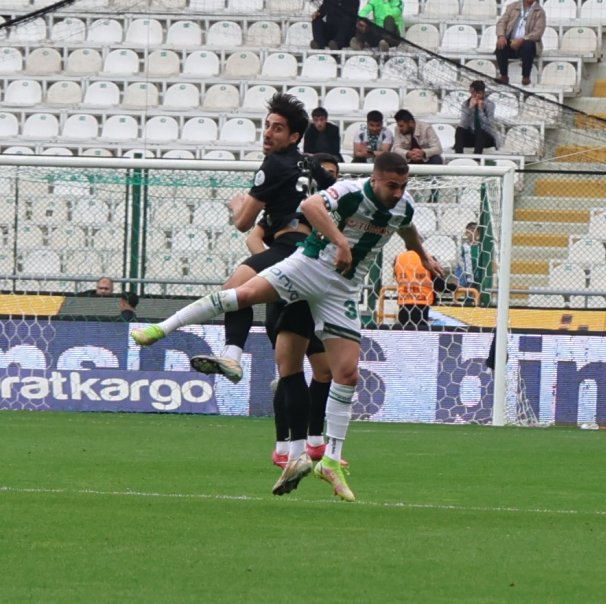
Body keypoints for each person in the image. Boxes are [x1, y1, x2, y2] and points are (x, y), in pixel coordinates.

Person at [131, 152, 442, 503]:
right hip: (309, 266)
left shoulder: (405, 206)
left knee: (347, 373)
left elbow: (408, 231)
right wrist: (340, 241)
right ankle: (162, 328)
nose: (398, 192)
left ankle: (330, 460)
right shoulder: (352, 191)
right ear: (375, 179)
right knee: (244, 295)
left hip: (343, 290)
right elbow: (310, 206)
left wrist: (425, 257)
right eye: (392, 185)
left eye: (403, 186)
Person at [186, 92, 310, 385]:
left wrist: (239, 206)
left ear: (293, 137)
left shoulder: (274, 165)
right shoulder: (308, 167)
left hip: (289, 248)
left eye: (277, 128)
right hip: (311, 255)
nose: (268, 133)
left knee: (233, 291)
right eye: (267, 125)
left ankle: (232, 355)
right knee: (296, 346)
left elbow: (243, 224)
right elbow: (256, 238)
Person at [245, 154, 339, 471]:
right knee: (290, 369)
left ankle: (313, 443)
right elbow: (253, 235)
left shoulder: (334, 213)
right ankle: (285, 447)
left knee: (323, 370)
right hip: (286, 291)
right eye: (323, 173)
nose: (328, 179)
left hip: (313, 296)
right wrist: (278, 268)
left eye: (333, 175)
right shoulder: (291, 213)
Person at [494, 0, 546, 86]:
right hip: (511, 41)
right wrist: (501, 36)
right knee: (500, 45)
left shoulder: (539, 11)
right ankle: (504, 76)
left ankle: (526, 76)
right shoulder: (512, 7)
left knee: (528, 46)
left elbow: (538, 32)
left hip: (527, 42)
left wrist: (522, 39)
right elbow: (501, 22)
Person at [453, 80, 503, 155]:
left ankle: (477, 157)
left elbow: (489, 126)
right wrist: (470, 109)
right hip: (472, 137)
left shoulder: (489, 104)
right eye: (472, 93)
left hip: (486, 138)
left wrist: (480, 111)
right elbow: (463, 124)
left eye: (477, 93)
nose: (474, 95)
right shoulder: (466, 104)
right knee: (459, 130)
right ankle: (458, 155)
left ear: (482, 93)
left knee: (480, 132)